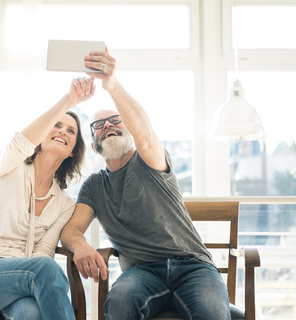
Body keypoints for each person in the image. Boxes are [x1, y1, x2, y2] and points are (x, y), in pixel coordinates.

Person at [60, 48, 231, 320]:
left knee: (211, 313)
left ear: (128, 128)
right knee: (120, 302)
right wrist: (80, 246)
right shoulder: (94, 185)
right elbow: (71, 229)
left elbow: (147, 136)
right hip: (141, 273)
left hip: (193, 267)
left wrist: (111, 85)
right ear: (93, 145)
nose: (108, 127)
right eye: (99, 126)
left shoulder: (149, 159)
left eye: (116, 121)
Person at [0, 77, 95, 320]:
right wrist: (69, 100)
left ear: (72, 151)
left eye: (71, 131)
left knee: (30, 313)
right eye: (57, 125)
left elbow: (43, 252)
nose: (63, 130)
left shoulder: (64, 204)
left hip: (20, 283)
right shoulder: (8, 167)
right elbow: (21, 143)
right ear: (41, 136)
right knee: (45, 270)